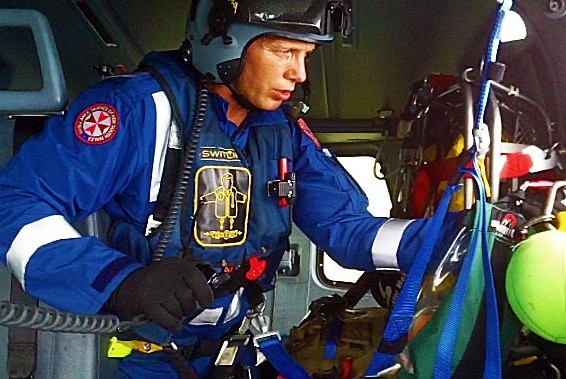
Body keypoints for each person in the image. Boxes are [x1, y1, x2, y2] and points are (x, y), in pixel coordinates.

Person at [0, 0, 462, 378]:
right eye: (284, 52)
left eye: (306, 57)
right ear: (221, 42)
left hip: (234, 352)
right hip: (145, 355)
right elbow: (14, 202)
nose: (299, 74)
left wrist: (456, 239)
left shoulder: (283, 132)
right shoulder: (139, 110)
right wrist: (122, 281)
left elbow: (348, 230)